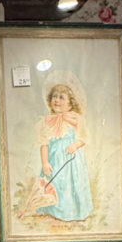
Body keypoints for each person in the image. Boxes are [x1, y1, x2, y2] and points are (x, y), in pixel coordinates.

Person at [36, 83, 93, 222]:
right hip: (54, 159)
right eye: (54, 97)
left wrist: (75, 145)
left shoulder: (76, 119)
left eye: (61, 97)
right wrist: (45, 162)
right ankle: (53, 210)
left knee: (71, 184)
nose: (56, 100)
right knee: (55, 183)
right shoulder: (47, 121)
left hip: (71, 160)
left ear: (70, 103)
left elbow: (84, 137)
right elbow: (44, 143)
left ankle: (73, 211)